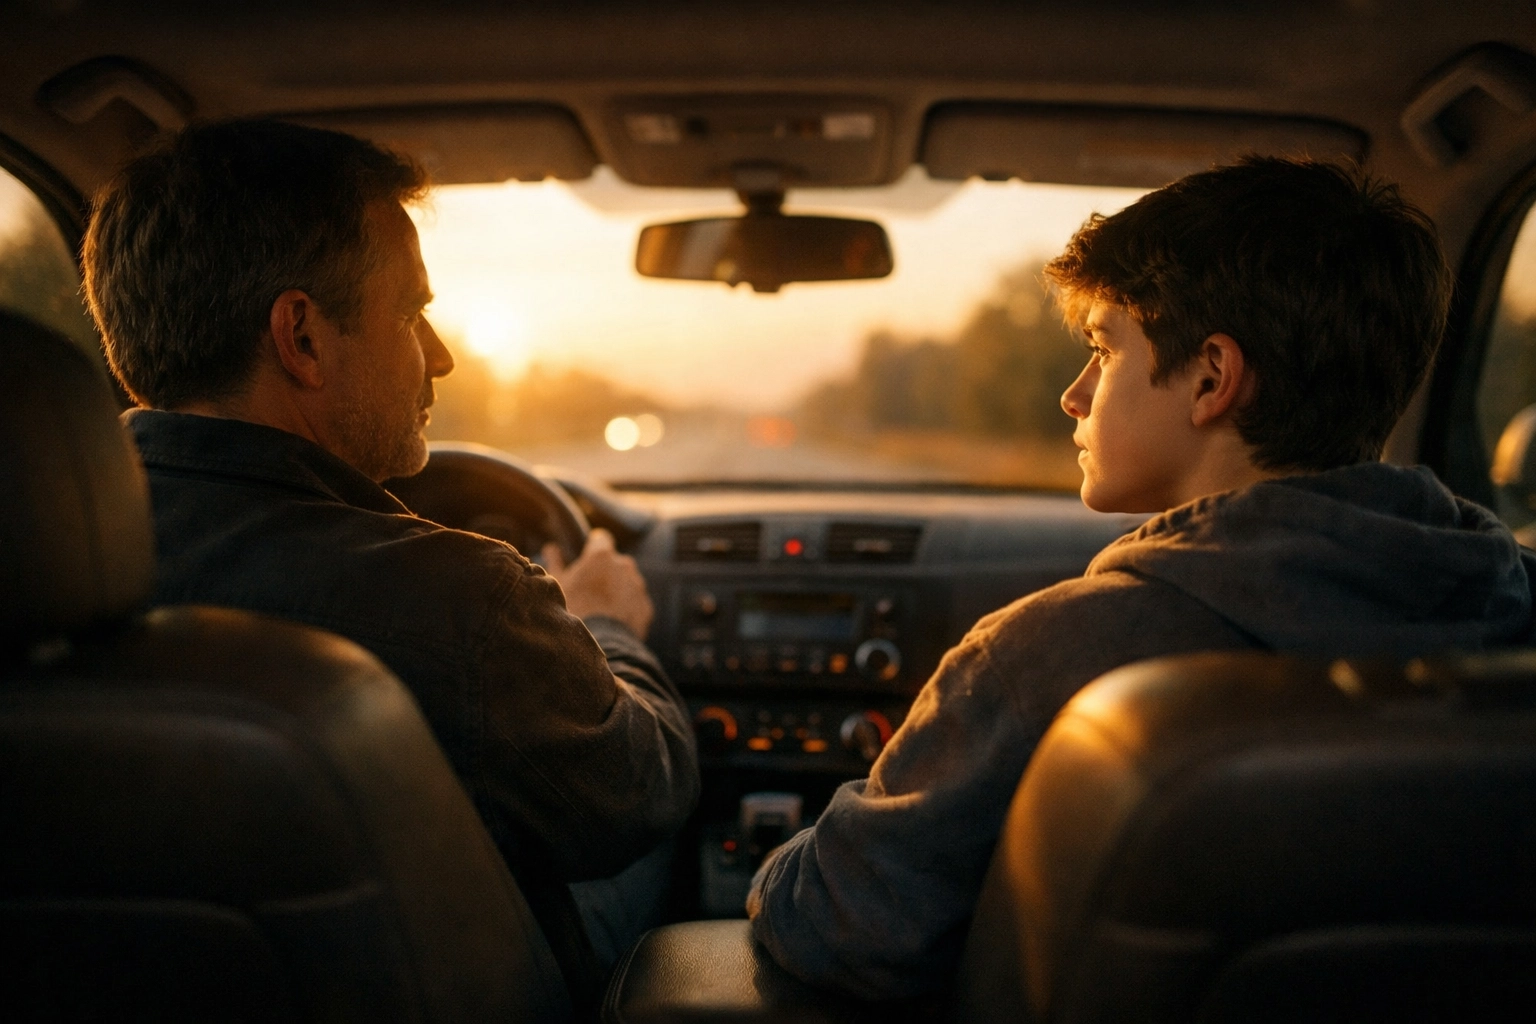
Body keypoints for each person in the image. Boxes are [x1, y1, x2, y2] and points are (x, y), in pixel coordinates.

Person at [746, 157, 1536, 999]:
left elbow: (833, 924)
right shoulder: (1518, 603)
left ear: (1210, 378)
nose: (1072, 395)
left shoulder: (1053, 652)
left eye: (1102, 349)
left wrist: (811, 837)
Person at [81, 119, 698, 989]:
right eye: (412, 311)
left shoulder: (47, 569)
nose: (440, 355)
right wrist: (610, 630)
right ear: (301, 337)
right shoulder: (463, 599)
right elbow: (640, 794)